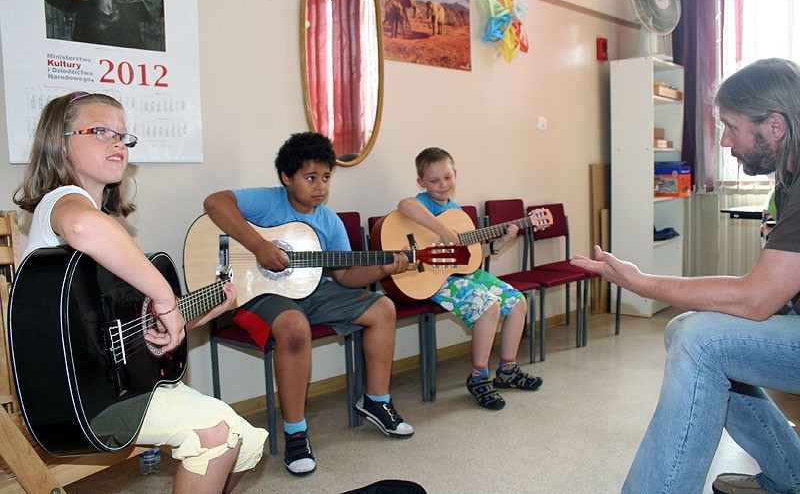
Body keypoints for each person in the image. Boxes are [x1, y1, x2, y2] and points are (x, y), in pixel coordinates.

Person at [12, 91, 267, 494]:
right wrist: (165, 296)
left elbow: (134, 324)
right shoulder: (62, 202)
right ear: (59, 142)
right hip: (83, 399)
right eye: (100, 131)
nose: (117, 143)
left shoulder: (105, 229)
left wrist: (193, 311)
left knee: (249, 441)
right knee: (216, 433)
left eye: (124, 137)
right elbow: (82, 227)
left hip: (125, 384)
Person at [571, 58, 800, 494]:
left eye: (731, 127)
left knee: (703, 341)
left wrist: (643, 282)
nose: (726, 141)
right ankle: (794, 475)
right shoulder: (788, 181)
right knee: (685, 329)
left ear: (774, 125)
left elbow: (756, 298)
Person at [203, 132, 416, 478]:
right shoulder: (268, 202)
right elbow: (215, 202)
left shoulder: (328, 220)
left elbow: (345, 274)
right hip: (257, 294)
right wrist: (259, 246)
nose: (320, 187)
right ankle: (296, 432)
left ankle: (376, 400)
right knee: (294, 327)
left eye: (326, 177)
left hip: (313, 291)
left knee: (383, 308)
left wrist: (383, 267)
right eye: (310, 177)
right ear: (287, 178)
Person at [396, 147, 543, 411]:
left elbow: (471, 258)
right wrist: (442, 230)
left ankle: (507, 370)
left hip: (462, 274)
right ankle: (478, 377)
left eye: (448, 177)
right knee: (489, 305)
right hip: (434, 279)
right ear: (421, 183)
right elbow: (404, 206)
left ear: (456, 175)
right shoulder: (423, 205)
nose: (443, 185)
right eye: (434, 180)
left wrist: (498, 244)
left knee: (517, 300)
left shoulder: (459, 213)